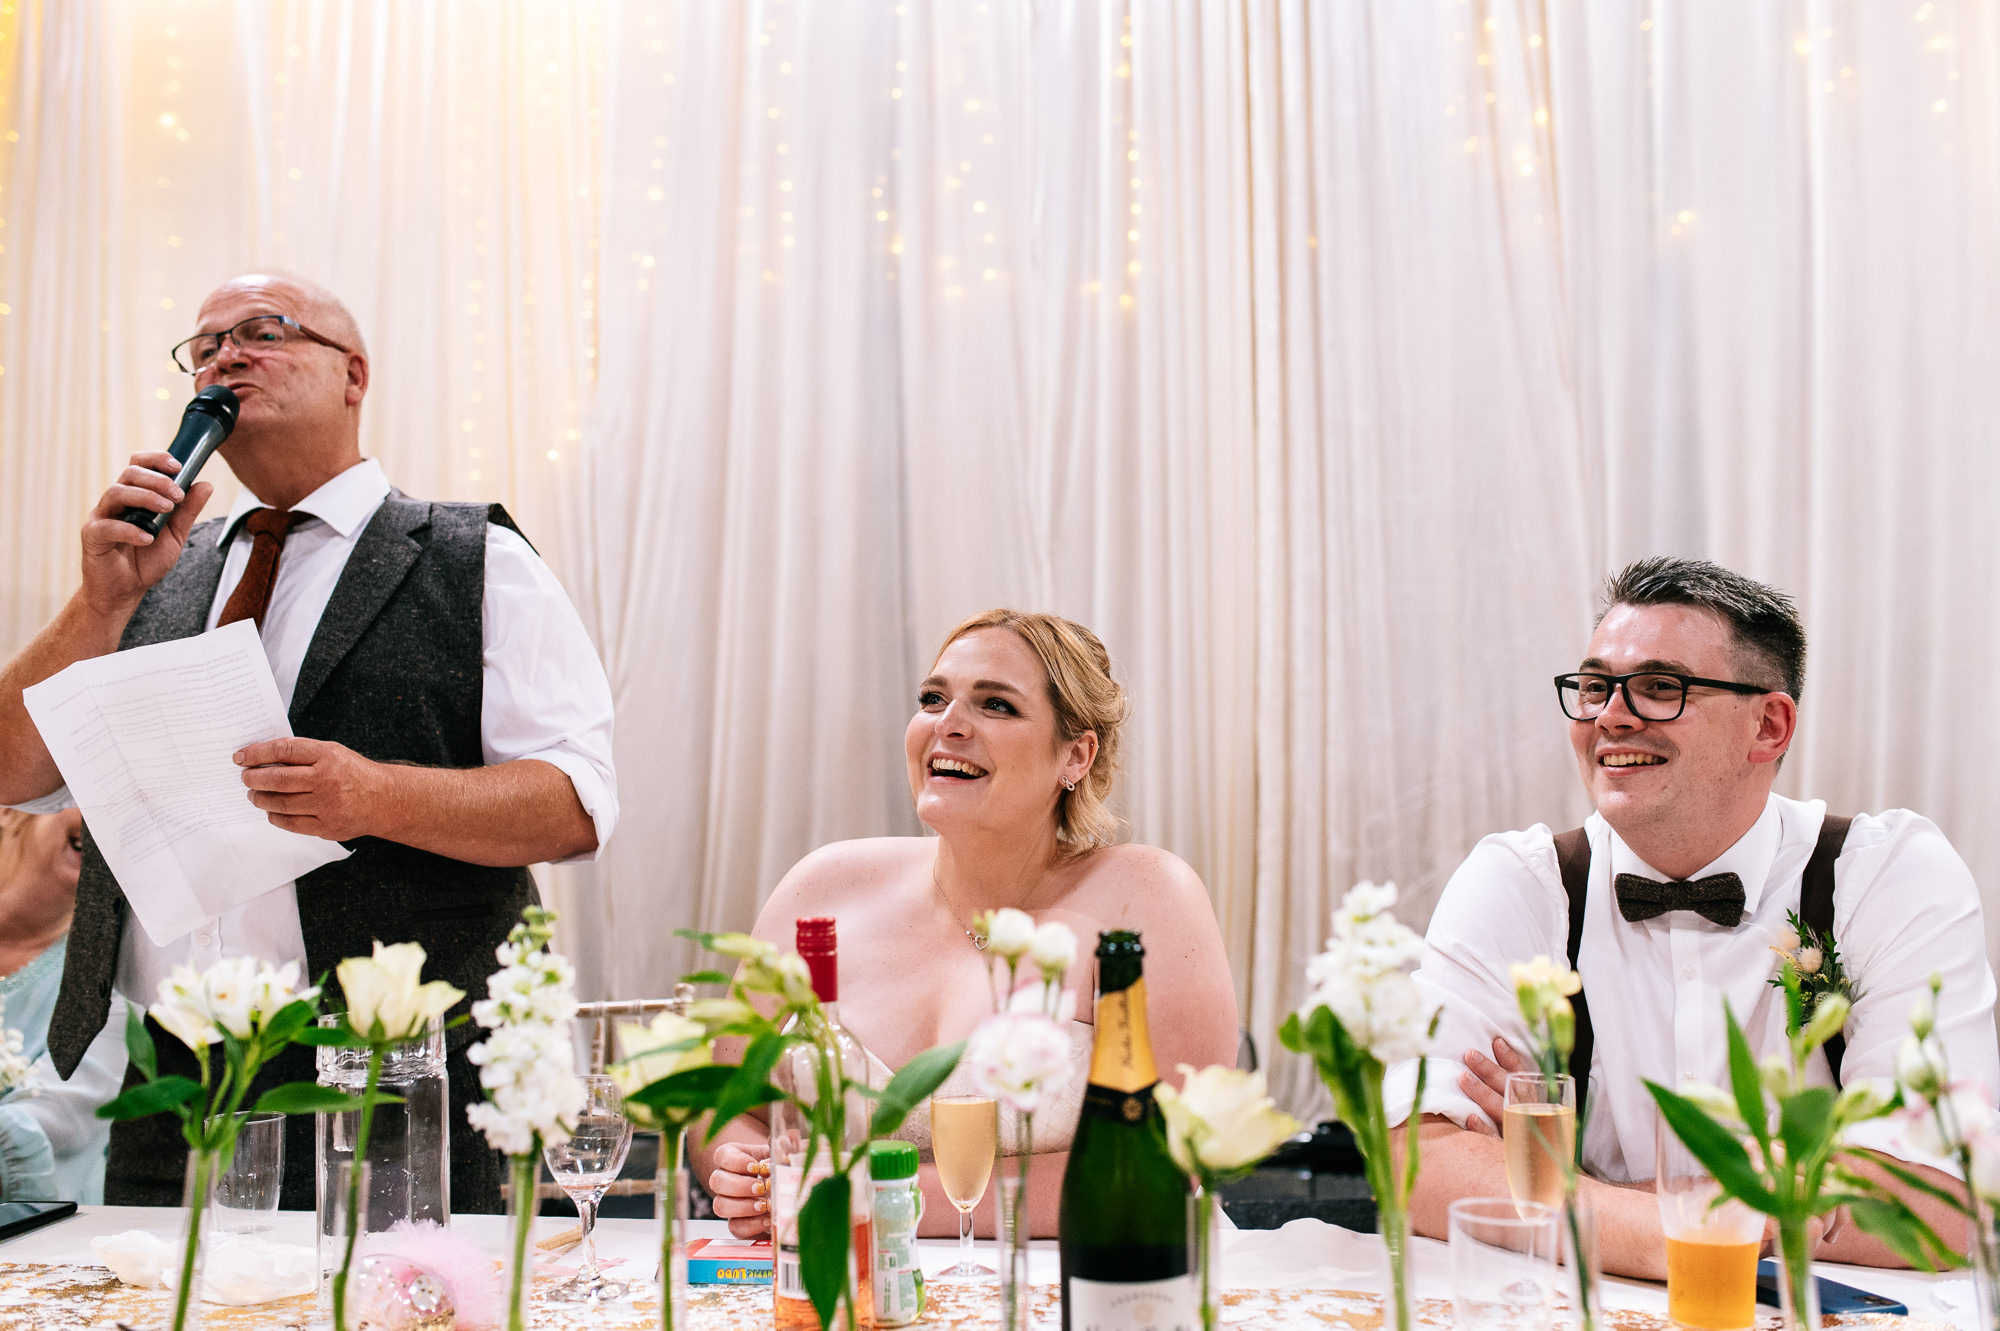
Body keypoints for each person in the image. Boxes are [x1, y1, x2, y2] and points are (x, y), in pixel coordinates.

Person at [0, 274, 618, 1211]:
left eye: (263, 331)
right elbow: (12, 772)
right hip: (172, 1087)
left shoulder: (473, 556)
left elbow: (575, 803)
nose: (224, 356)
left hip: (390, 1082)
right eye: (204, 346)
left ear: (353, 375)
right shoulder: (155, 568)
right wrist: (101, 599)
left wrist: (377, 795)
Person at [1389, 556, 1997, 1277]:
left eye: (1658, 688)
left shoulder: (1887, 875)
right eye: (1593, 687)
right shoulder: (1518, 884)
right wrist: (1736, 1201)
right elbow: (1417, 1161)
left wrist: (1567, 1192)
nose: (1610, 715)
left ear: (1768, 725)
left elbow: (1936, 1199)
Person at [689, 609, 1239, 1238]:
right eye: (932, 698)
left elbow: (1171, 1161)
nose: (947, 725)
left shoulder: (1145, 899)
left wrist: (871, 1196)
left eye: (996, 705)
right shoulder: (825, 885)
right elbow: (718, 1100)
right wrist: (746, 1174)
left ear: (1077, 756)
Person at [0, 807, 126, 1201]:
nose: (103, 819)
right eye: (78, 791)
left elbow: (62, 1116)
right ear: (10, 809)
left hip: (34, 1235)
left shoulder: (114, 971)